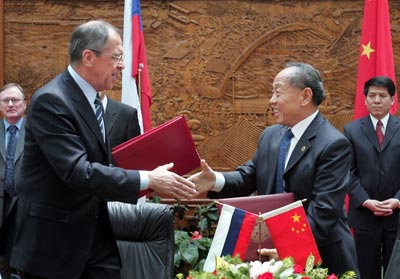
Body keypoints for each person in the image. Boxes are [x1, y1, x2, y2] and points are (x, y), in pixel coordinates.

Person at [8, 19, 196, 279]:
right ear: (88, 57)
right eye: (116, 57)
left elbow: (106, 163)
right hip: (54, 245)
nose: (122, 65)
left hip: (95, 239)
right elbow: (78, 171)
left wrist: (155, 171)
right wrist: (148, 178)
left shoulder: (93, 100)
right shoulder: (52, 101)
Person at [189, 62, 358, 275]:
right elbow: (248, 177)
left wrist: (288, 249)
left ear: (305, 96)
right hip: (272, 255)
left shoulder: (333, 144)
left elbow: (324, 211)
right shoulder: (271, 135)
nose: (271, 100)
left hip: (320, 259)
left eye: (278, 93)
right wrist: (215, 180)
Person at [343, 76, 400, 279]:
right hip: (364, 215)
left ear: (393, 100)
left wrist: (397, 200)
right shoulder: (351, 130)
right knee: (366, 271)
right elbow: (347, 171)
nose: (377, 100)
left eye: (382, 96)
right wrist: (365, 201)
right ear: (365, 99)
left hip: (397, 215)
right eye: (372, 95)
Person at [0, 83, 26, 279]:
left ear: (24, 104)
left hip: (23, 206)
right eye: (5, 100)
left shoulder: (37, 132)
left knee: (19, 261)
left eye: (15, 100)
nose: (10, 104)